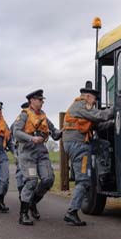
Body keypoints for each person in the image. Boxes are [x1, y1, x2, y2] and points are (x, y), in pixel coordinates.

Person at [62, 81, 114, 226]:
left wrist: (113, 122)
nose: (95, 101)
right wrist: (116, 108)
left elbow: (98, 124)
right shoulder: (81, 105)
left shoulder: (83, 108)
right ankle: (71, 212)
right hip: (78, 145)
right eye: (94, 98)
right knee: (84, 181)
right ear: (87, 96)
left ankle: (103, 173)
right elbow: (99, 115)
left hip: (79, 143)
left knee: (104, 145)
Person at [13, 89, 62, 225]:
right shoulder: (24, 115)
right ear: (32, 101)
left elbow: (55, 133)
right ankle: (23, 215)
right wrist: (31, 138)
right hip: (28, 153)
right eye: (39, 100)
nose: (42, 102)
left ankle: (33, 202)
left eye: (42, 100)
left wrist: (63, 131)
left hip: (42, 153)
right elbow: (16, 132)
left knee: (48, 179)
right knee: (32, 181)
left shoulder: (44, 117)